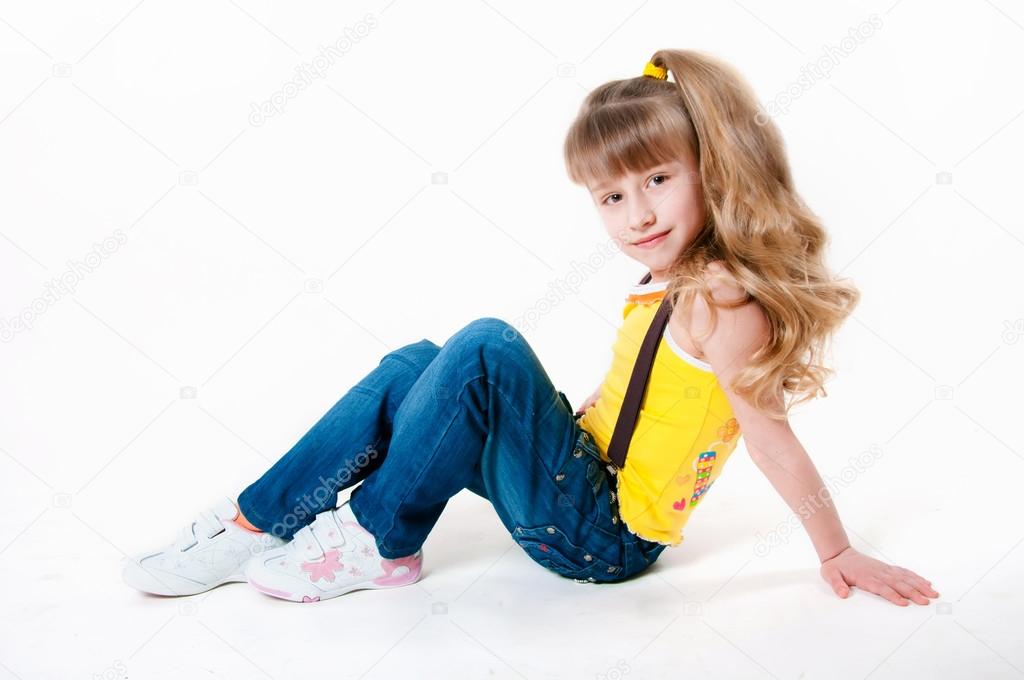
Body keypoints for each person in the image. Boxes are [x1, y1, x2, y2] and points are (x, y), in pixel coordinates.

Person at [122, 49, 939, 607]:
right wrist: (550, 425)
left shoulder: (724, 300)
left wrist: (835, 551)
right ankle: (253, 523)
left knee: (484, 347)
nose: (637, 213)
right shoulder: (672, 282)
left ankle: (377, 540)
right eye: (611, 197)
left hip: (600, 538)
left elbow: (770, 438)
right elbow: (636, 393)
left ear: (711, 172)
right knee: (418, 363)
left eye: (657, 179)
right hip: (576, 479)